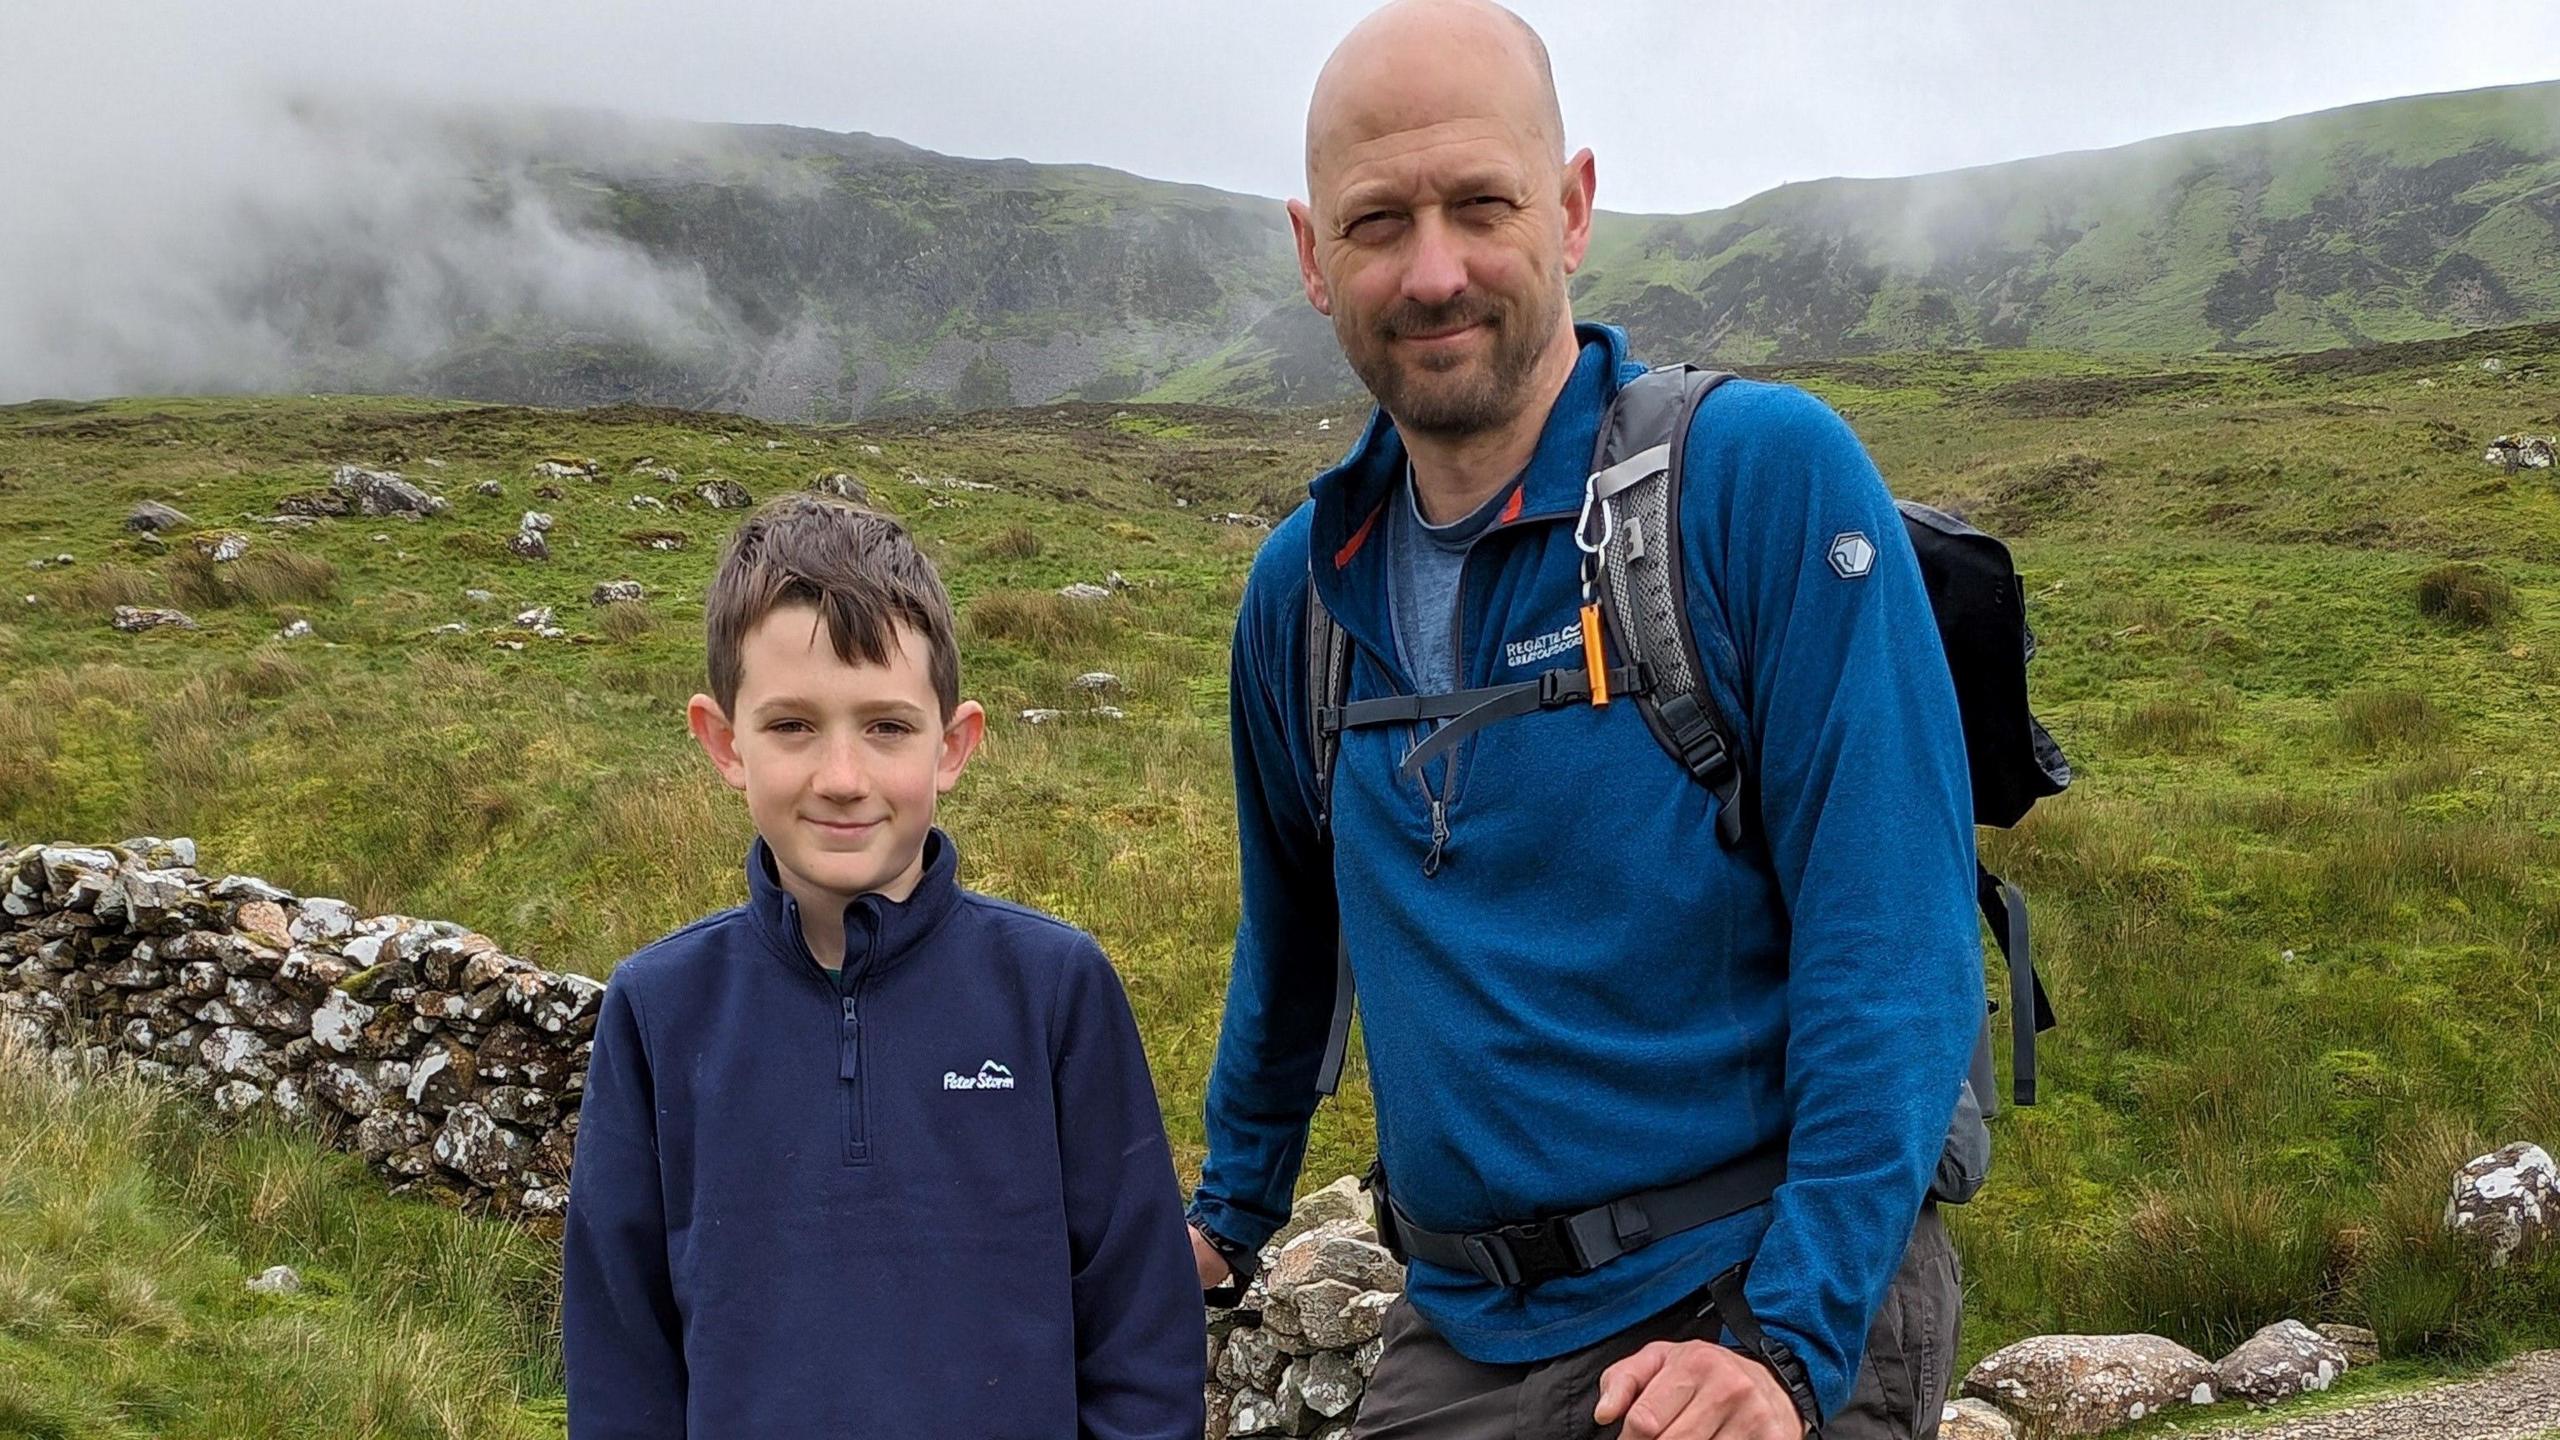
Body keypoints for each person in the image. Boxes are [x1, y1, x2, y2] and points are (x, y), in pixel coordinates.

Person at [1186, 3, 1983, 1437]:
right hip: (1474, 1329)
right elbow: (1294, 942)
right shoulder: (1300, 598)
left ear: (1571, 209)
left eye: (1481, 205)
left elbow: (1898, 946)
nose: (1435, 272)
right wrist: (1220, 1224)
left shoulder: (1757, 484)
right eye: (1379, 223)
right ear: (1314, 256)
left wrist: (1784, 1350)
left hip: (1753, 1285)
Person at [561, 494, 1204, 1438]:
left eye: (888, 727)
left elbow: (1142, 1330)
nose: (843, 777)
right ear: (722, 742)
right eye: (791, 726)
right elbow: (621, 1359)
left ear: (954, 746)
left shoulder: (1055, 989)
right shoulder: (658, 1012)